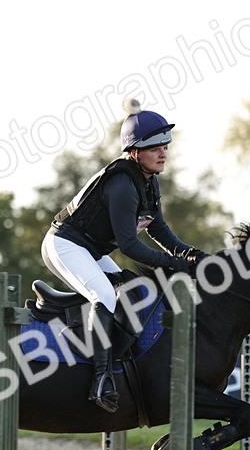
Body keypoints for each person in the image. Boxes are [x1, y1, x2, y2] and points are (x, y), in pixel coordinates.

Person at [42, 97, 206, 413]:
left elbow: (160, 232)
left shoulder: (149, 183)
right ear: (134, 153)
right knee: (104, 293)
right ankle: (100, 380)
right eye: (155, 147)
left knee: (129, 289)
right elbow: (130, 246)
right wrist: (175, 264)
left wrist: (193, 255)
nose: (163, 153)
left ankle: (120, 363)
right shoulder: (122, 185)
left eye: (165, 146)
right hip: (64, 245)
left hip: (90, 250)